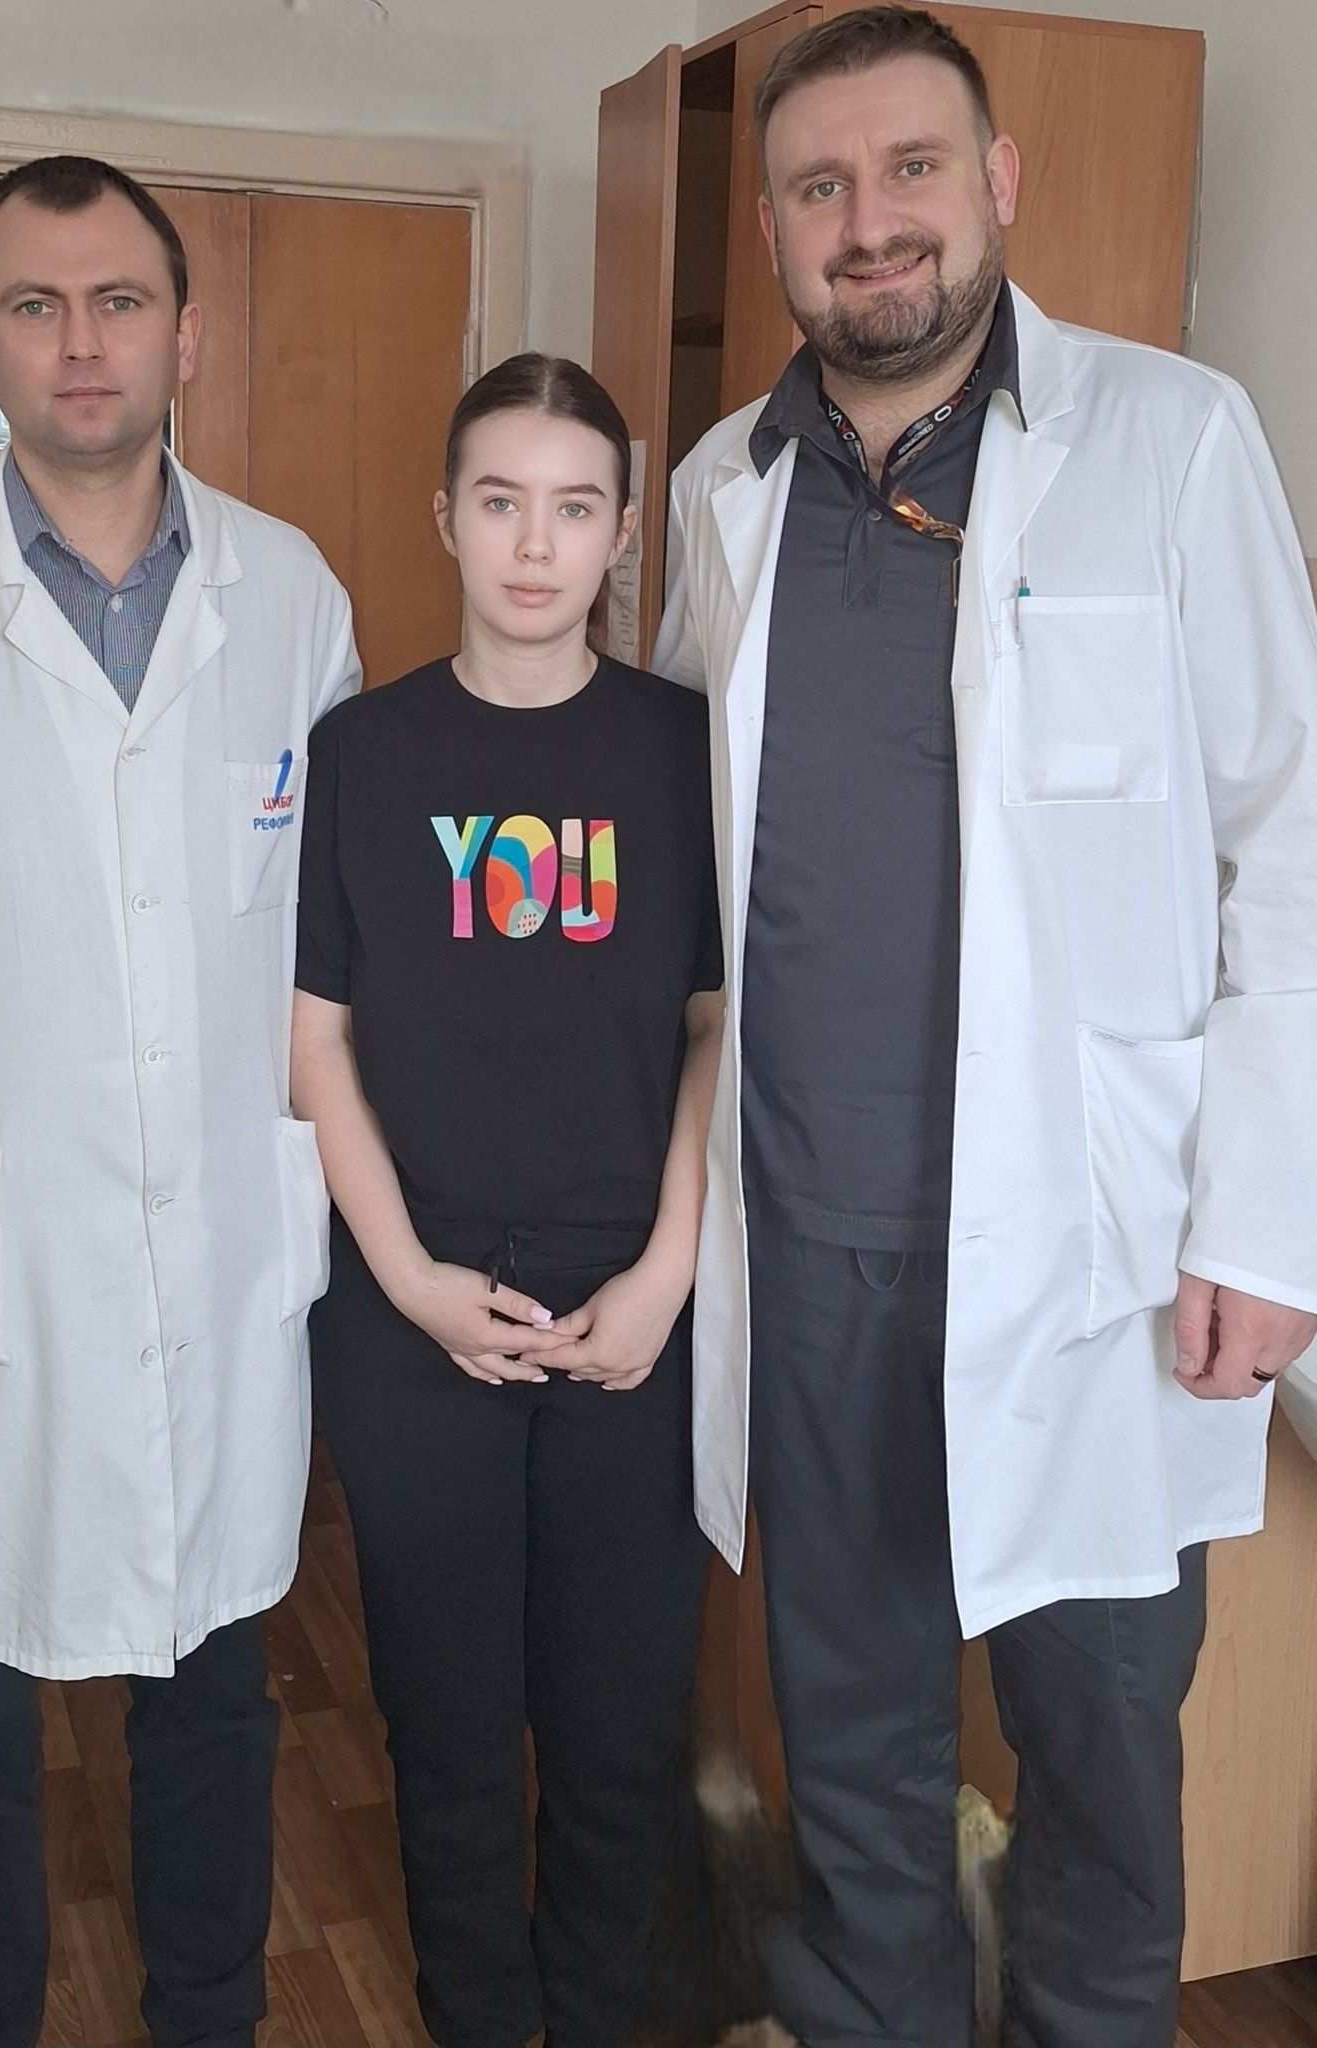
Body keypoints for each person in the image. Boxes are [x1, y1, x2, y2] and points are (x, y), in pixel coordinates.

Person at [653, 10, 1317, 2046]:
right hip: (808, 1233)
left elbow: (1288, 838)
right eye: (820, 185)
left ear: (997, 182)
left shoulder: (1171, 437)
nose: (869, 222)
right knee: (848, 1725)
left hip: (1097, 1252)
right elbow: (680, 850)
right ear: (775, 225)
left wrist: (1264, 1219)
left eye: (910, 169)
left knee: (1099, 1744)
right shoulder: (719, 488)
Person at [0, 155, 359, 2048]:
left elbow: (333, 955)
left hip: (219, 1251)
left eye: (119, 301)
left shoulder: (293, 594)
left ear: (188, 335)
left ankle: (209, 2017)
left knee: (216, 1699)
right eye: (35, 305)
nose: (80, 341)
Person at [291, 353, 722, 2048]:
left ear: (621, 532)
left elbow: (715, 1023)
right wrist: (405, 1276)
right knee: (449, 1725)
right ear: (446, 518)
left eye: (574, 507)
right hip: (414, 1318)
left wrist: (673, 1265)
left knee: (618, 1730)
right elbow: (315, 1041)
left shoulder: (685, 748)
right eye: (500, 501)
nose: (535, 545)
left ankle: (597, 2015)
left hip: (637, 1315)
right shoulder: (364, 751)